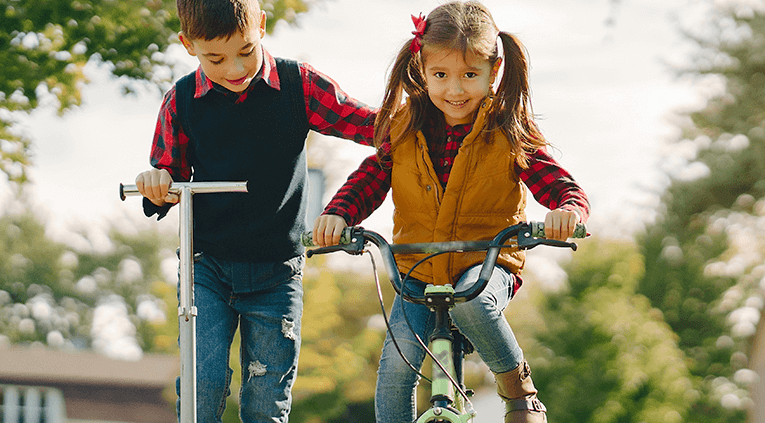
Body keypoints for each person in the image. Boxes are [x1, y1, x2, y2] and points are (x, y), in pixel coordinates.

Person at [312, 2, 588, 422]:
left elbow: (556, 182)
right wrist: (339, 214)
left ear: (492, 72)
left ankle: (519, 391)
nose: (455, 89)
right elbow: (368, 179)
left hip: (485, 263)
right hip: (417, 269)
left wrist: (568, 209)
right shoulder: (403, 128)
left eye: (469, 76)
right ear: (422, 70)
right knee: (393, 375)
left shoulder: (508, 128)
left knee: (473, 302)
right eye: (440, 75)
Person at [131, 0, 376, 421]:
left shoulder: (299, 85)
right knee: (201, 387)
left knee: (267, 399)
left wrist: (426, 120)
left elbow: (368, 124)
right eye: (215, 58)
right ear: (188, 45)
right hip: (206, 268)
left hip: (276, 272)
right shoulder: (182, 101)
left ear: (261, 26)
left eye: (245, 50)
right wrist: (156, 183)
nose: (234, 69)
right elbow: (166, 178)